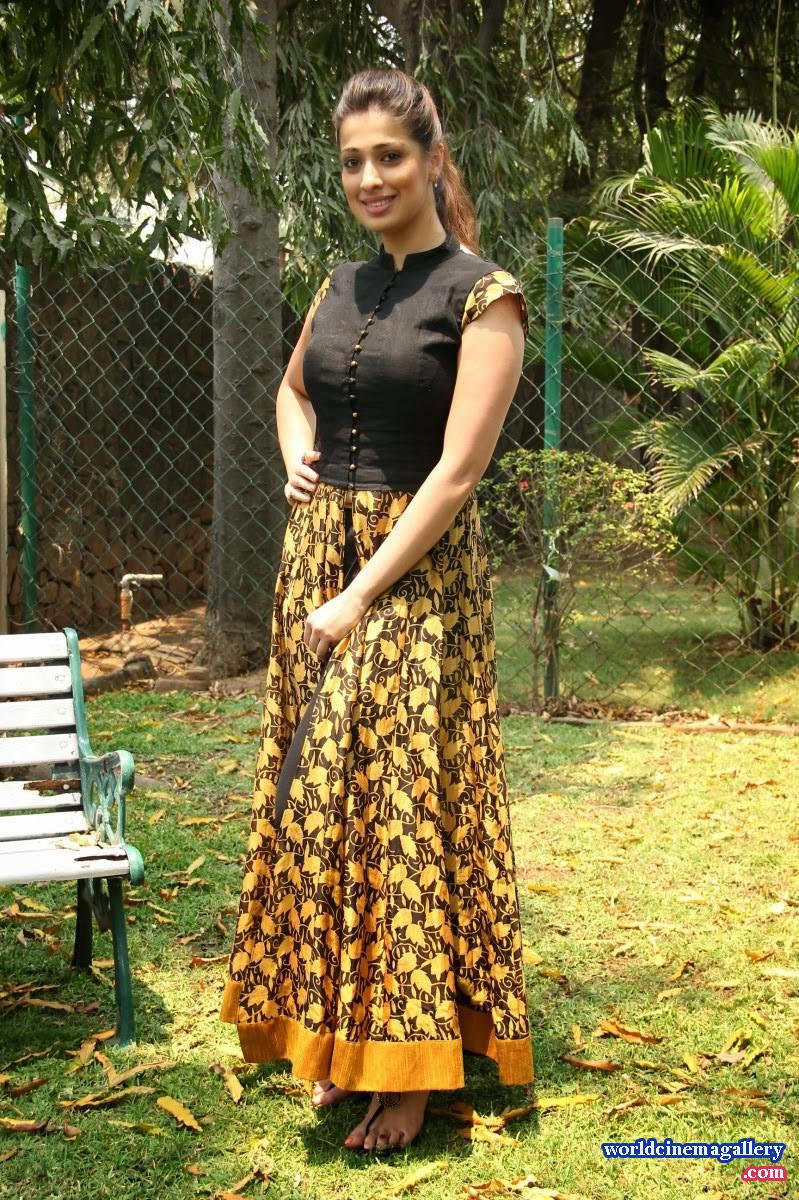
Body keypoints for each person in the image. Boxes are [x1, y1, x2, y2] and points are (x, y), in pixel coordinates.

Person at [220, 66, 533, 1155]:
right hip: (316, 566)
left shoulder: (484, 297)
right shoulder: (338, 283)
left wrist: (360, 593)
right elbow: (291, 389)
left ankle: (411, 1071)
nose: (369, 177)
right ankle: (338, 1039)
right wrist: (294, 451)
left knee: (396, 807)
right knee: (325, 804)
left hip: (411, 582)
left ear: (432, 161)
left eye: (389, 157)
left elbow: (457, 475)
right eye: (353, 160)